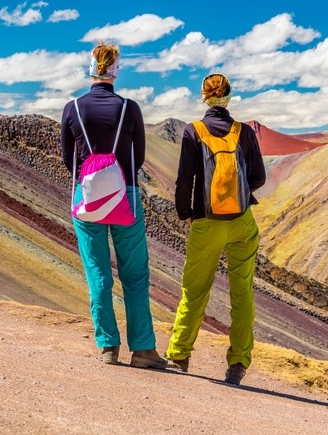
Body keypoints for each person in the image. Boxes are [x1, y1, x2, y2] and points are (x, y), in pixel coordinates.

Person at [60, 41, 167, 370]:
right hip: (127, 197)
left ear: (90, 69)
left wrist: (94, 181)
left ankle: (108, 346)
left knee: (98, 273)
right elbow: (140, 157)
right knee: (134, 276)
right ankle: (143, 350)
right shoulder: (129, 108)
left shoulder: (73, 108)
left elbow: (68, 160)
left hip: (86, 197)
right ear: (115, 70)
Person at [166, 73, 266, 385]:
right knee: (242, 293)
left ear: (204, 97)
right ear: (229, 97)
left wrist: (187, 214)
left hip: (206, 223)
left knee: (194, 292)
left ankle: (179, 355)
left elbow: (185, 181)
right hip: (241, 222)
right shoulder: (244, 132)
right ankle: (237, 364)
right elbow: (259, 178)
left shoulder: (192, 131)